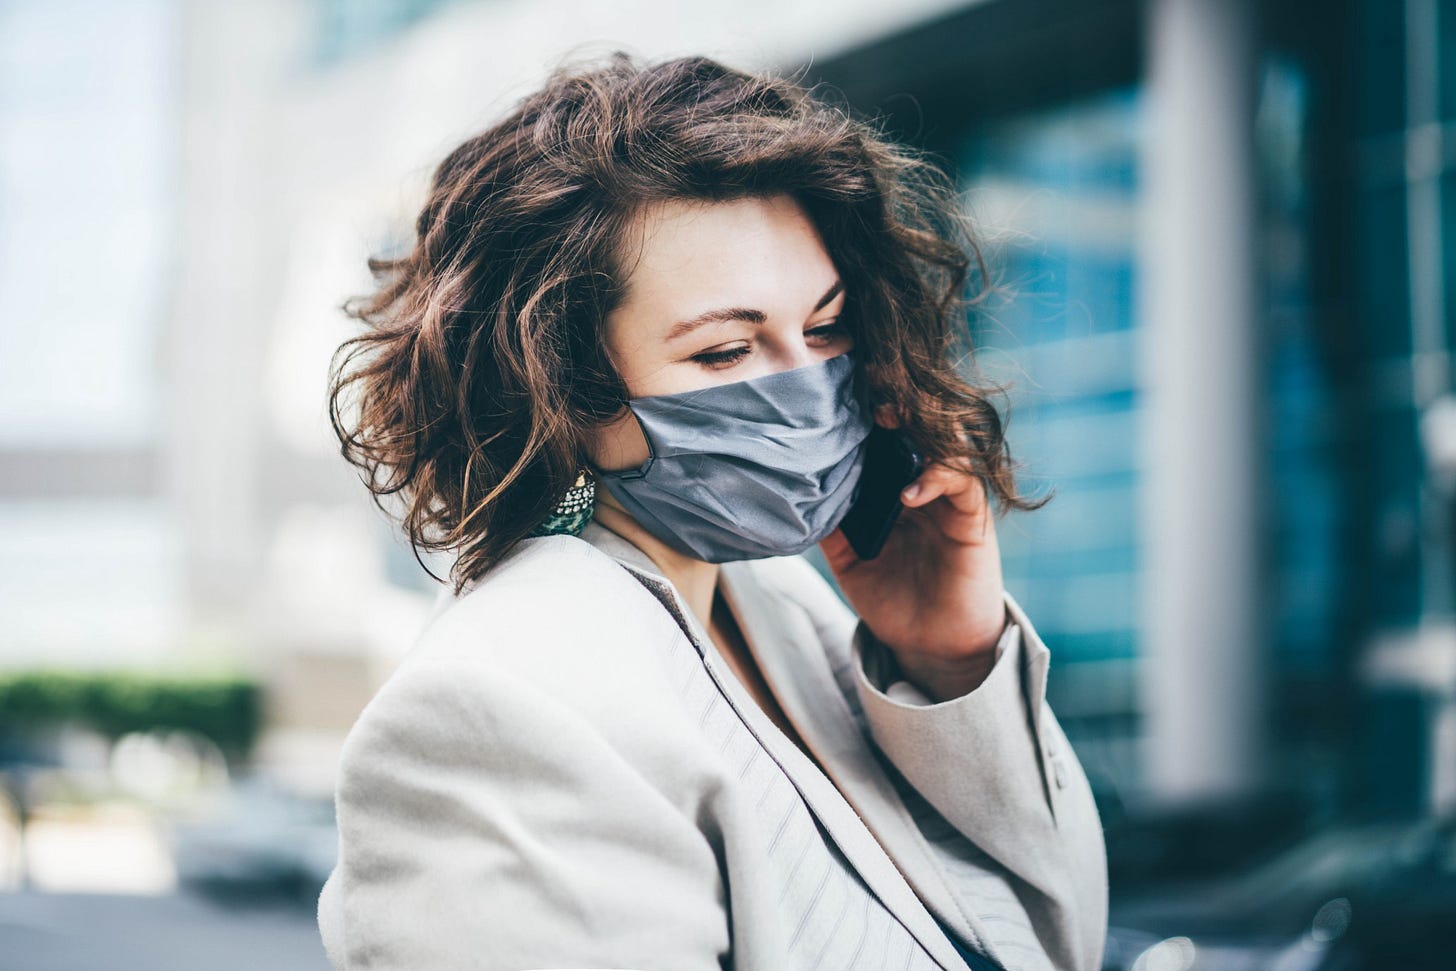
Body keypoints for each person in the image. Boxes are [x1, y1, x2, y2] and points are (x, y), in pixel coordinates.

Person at [316, 50, 1107, 971]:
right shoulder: (497, 706)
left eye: (825, 328)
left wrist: (952, 661)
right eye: (726, 351)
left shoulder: (782, 604)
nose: (807, 388)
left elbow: (1059, 936)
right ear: (556, 386)